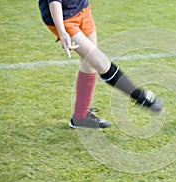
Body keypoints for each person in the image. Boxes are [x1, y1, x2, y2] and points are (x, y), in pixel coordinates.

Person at [38, 0, 163, 128]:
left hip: (82, 8)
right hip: (63, 19)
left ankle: (80, 117)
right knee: (100, 63)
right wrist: (62, 31)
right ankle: (140, 96)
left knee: (89, 63)